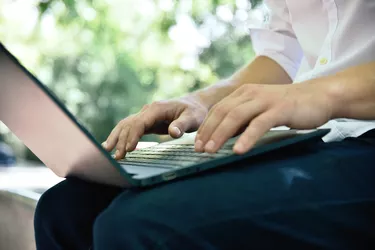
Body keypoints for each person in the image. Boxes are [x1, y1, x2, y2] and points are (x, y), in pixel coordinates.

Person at [34, 1, 375, 249]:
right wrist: (202, 102)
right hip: (317, 138)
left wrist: (321, 94)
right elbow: (284, 51)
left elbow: (310, 85)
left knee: (140, 227)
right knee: (66, 210)